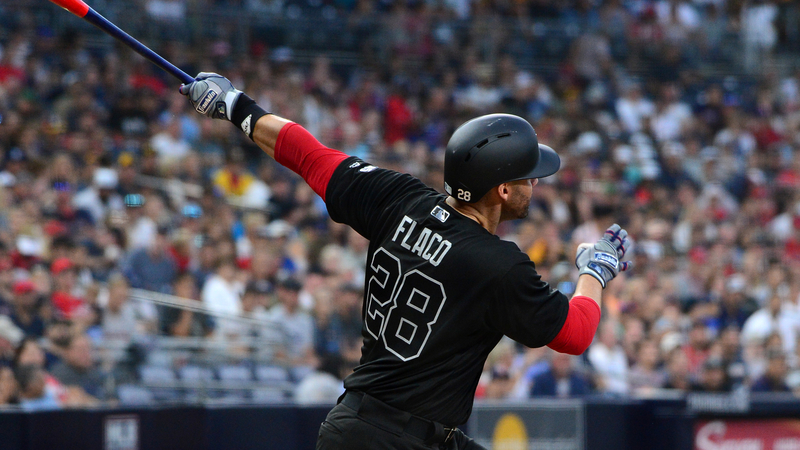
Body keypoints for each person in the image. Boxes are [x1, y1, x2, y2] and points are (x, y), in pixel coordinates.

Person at [181, 73, 631, 450]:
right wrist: (595, 270)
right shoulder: (497, 265)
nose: (536, 182)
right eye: (528, 176)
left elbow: (308, 155)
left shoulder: (399, 197)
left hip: (369, 426)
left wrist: (236, 106)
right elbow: (574, 334)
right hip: (394, 438)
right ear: (503, 191)